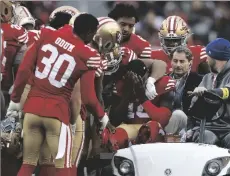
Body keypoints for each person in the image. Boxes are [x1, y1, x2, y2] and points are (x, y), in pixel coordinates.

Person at [7, 14, 111, 176]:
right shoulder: (87, 55)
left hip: (32, 110)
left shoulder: (48, 35)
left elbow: (24, 69)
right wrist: (102, 117)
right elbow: (88, 97)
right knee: (65, 167)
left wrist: (15, 99)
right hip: (56, 114)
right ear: (90, 32)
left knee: (27, 165)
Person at [102, 60, 178, 151]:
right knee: (113, 138)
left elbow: (163, 119)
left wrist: (143, 98)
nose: (137, 81)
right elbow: (115, 120)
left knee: (150, 129)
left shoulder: (162, 84)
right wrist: (126, 95)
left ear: (148, 74)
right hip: (132, 127)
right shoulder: (122, 85)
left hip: (154, 128)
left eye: (140, 78)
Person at [188, 38, 230, 150]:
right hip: (208, 127)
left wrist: (207, 92)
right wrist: (196, 97)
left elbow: (228, 92)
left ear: (215, 58)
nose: (206, 60)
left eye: (208, 56)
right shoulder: (207, 78)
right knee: (205, 139)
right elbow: (193, 110)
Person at [167, 46, 203, 132]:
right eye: (175, 61)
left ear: (190, 62)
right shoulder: (164, 79)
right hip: (165, 121)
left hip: (189, 124)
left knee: (178, 114)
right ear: (171, 62)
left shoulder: (199, 80)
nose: (178, 65)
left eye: (182, 61)